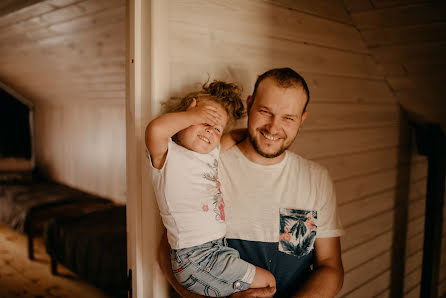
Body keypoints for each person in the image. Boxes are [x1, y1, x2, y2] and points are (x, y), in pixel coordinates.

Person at [145, 81, 276, 297]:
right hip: (194, 257)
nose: (210, 130)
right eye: (203, 121)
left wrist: (265, 137)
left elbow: (233, 137)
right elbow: (155, 129)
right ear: (185, 115)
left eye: (216, 128)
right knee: (267, 283)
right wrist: (193, 115)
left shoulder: (210, 154)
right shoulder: (168, 153)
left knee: (265, 284)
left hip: (217, 249)